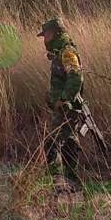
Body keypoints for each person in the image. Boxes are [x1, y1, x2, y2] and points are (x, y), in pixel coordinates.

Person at [37, 17, 85, 195]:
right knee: (69, 144)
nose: (44, 40)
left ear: (56, 34)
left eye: (46, 35)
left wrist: (63, 98)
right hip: (66, 108)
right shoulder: (59, 52)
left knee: (51, 144)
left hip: (68, 109)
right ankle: (73, 184)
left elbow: (76, 77)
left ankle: (58, 185)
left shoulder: (67, 52)